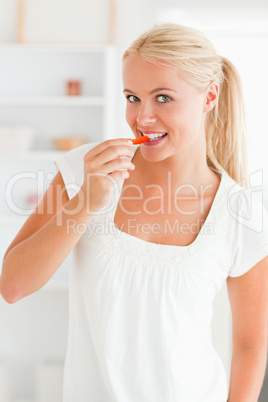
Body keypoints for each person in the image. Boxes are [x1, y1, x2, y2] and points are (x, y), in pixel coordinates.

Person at [1, 23, 268, 402]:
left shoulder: (241, 212)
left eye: (162, 98)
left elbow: (250, 344)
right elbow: (13, 285)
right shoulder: (84, 170)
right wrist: (86, 203)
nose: (142, 117)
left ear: (210, 96)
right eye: (132, 97)